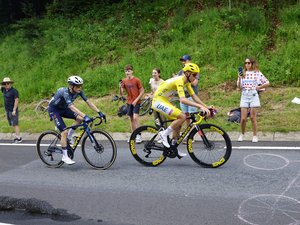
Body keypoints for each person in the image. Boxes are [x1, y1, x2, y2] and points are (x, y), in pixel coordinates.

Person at [152, 63, 211, 157]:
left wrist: (206, 106)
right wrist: (200, 107)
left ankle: (173, 147)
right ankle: (163, 134)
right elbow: (183, 100)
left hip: (165, 100)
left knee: (178, 123)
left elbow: (194, 96)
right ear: (187, 73)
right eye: (194, 75)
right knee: (182, 116)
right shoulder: (179, 80)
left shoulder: (186, 82)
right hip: (158, 101)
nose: (196, 77)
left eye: (196, 75)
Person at [48, 75, 106, 165]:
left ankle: (69, 138)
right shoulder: (64, 92)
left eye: (81, 86)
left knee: (80, 119)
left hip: (63, 108)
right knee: (64, 132)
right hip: (54, 110)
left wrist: (99, 112)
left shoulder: (79, 91)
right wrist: (85, 115)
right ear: (71, 86)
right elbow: (71, 107)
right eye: (78, 86)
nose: (80, 88)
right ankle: (65, 156)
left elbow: (88, 102)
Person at [236, 57, 270, 143]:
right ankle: (242, 134)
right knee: (243, 118)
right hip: (244, 95)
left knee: (252, 117)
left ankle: (255, 135)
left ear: (252, 64)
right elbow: (239, 87)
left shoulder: (257, 73)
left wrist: (259, 87)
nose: (247, 64)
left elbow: (267, 82)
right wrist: (239, 78)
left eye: (248, 63)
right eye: (245, 63)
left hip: (253, 95)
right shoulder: (243, 73)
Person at [120, 64, 145, 143]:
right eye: (126, 71)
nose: (127, 72)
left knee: (135, 118)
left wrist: (136, 100)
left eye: (129, 71)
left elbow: (142, 91)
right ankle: (133, 135)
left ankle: (139, 135)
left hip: (136, 102)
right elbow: (121, 93)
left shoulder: (137, 80)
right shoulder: (124, 81)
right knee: (131, 119)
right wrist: (120, 87)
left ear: (132, 71)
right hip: (129, 102)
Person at [177, 55, 200, 142]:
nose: (183, 62)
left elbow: (194, 83)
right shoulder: (180, 72)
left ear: (190, 61)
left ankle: (191, 136)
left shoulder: (194, 71)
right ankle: (188, 135)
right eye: (182, 61)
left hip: (191, 96)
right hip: (183, 96)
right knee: (186, 116)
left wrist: (187, 78)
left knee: (192, 117)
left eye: (185, 60)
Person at [1, 77, 22, 143]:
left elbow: (16, 100)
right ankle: (17, 136)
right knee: (12, 124)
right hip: (7, 110)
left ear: (10, 84)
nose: (6, 84)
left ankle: (19, 138)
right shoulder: (4, 89)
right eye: (5, 83)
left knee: (15, 124)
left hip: (12, 110)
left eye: (8, 83)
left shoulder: (14, 91)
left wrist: (14, 110)